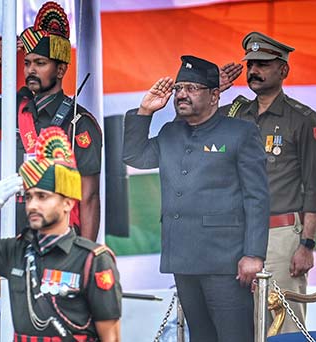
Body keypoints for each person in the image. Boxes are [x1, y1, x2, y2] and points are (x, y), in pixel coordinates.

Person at [122, 55, 269, 340]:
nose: (181, 94)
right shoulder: (170, 132)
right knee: (200, 337)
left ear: (214, 95)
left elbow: (257, 197)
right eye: (179, 88)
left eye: (191, 88)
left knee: (234, 337)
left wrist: (253, 254)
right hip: (183, 258)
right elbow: (135, 156)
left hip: (225, 261)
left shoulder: (240, 133)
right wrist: (144, 111)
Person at [0, 128, 121, 340]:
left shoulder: (92, 259)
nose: (33, 205)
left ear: (67, 203)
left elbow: (111, 336)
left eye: (42, 197)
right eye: (29, 197)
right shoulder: (15, 251)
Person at [0, 1, 103, 241]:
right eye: (27, 62)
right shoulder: (15, 108)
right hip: (16, 233)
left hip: (60, 239)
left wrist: (86, 254)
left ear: (60, 70)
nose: (31, 70)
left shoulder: (80, 123)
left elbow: (90, 196)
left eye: (40, 63)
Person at [218, 32, 316, 334]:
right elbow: (192, 126)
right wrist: (215, 89)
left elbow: (315, 188)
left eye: (263, 64)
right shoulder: (234, 115)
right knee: (238, 327)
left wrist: (306, 245)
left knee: (284, 326)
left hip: (279, 235)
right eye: (250, 64)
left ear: (283, 70)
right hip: (235, 235)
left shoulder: (304, 120)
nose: (254, 70)